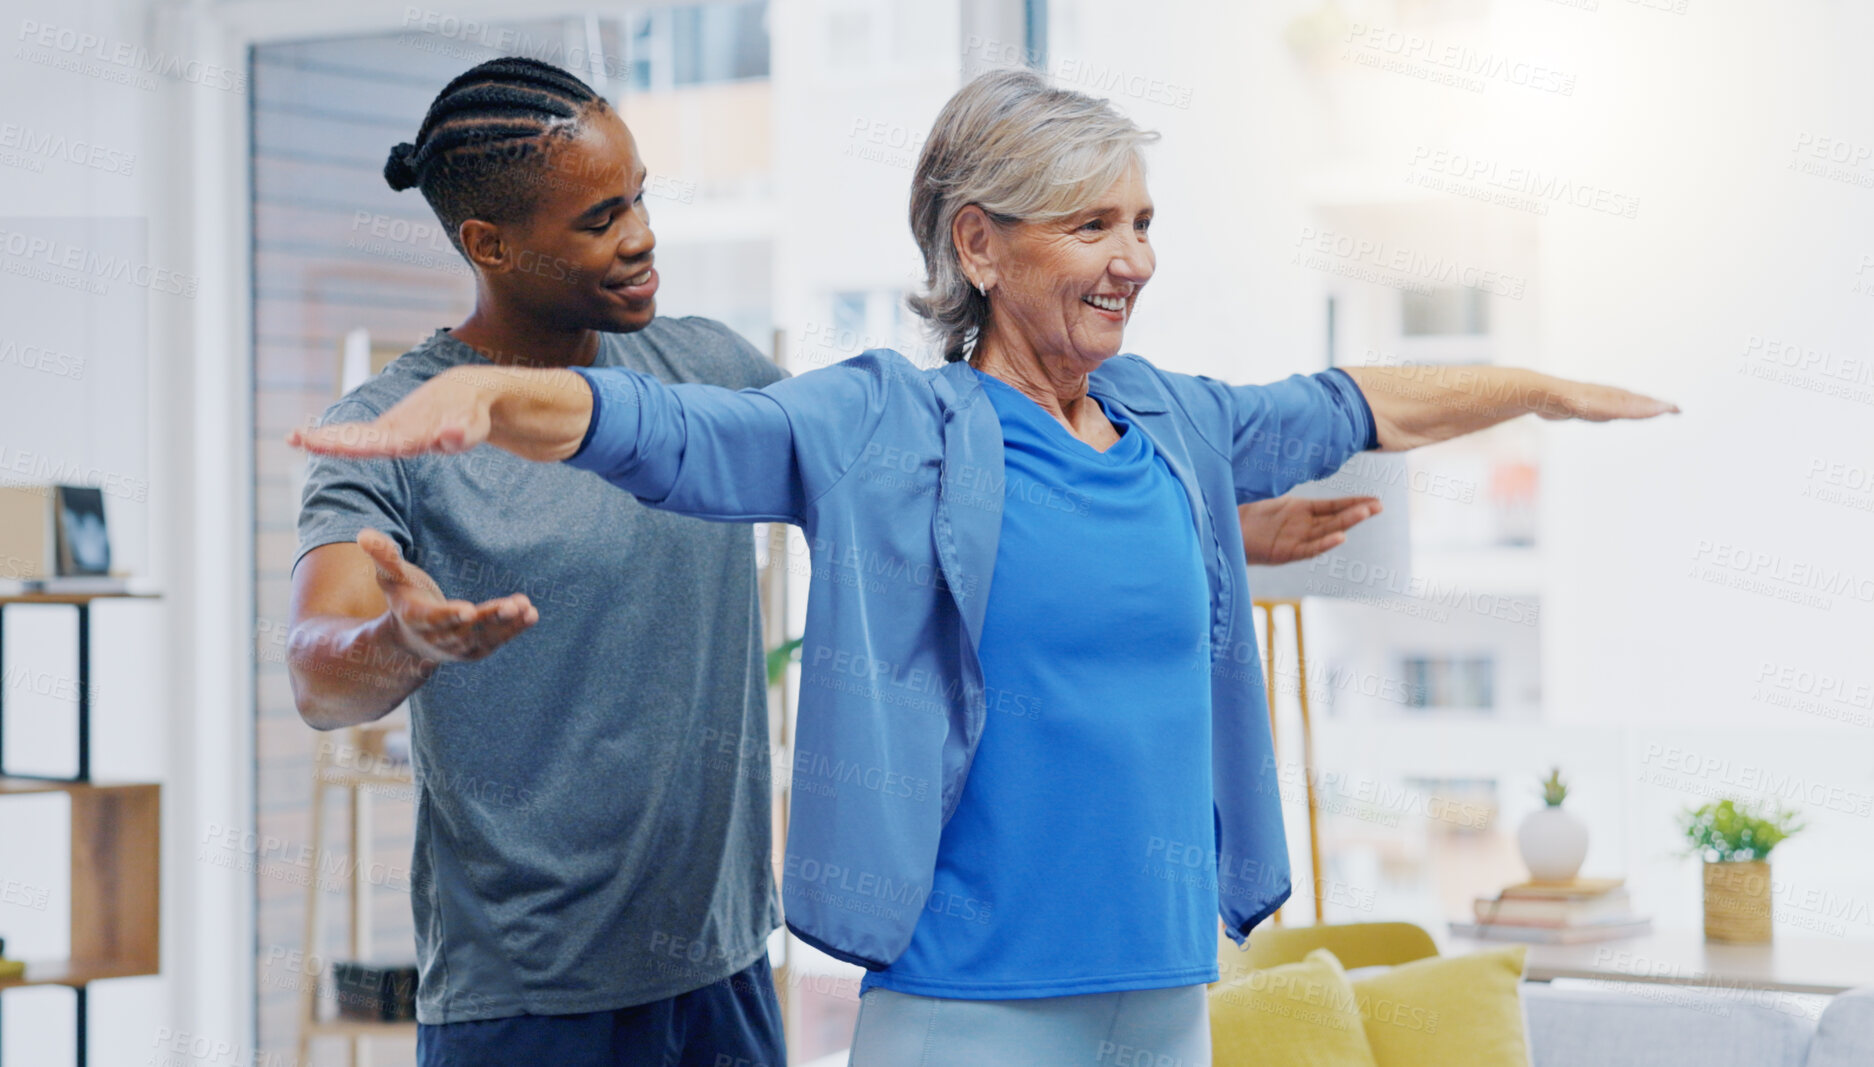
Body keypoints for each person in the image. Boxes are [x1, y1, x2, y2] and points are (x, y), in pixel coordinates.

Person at [290, 69, 1676, 1064]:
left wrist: (1536, 385)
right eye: (1090, 225)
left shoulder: (1168, 425)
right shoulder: (879, 416)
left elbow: (1343, 403)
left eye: (1140, 220)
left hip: (1123, 980)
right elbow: (683, 438)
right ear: (976, 241)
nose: (1131, 257)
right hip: (894, 995)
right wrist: (487, 415)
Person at [287, 57, 789, 1067]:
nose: (641, 235)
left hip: (722, 975)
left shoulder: (711, 373)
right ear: (490, 244)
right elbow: (317, 670)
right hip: (523, 1004)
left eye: (638, 196)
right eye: (599, 218)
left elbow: (874, 471)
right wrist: (399, 639)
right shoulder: (391, 424)